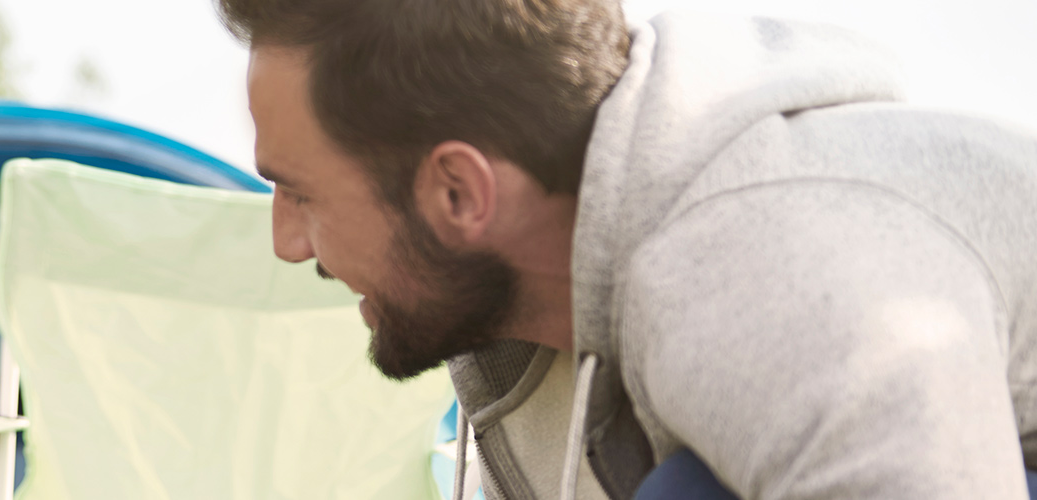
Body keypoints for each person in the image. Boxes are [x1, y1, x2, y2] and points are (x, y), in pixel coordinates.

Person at [218, 0, 1037, 498]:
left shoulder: (777, 286)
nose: (287, 243)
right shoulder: (523, 334)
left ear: (461, 193)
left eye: (300, 192)